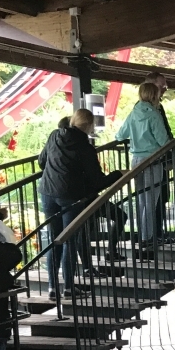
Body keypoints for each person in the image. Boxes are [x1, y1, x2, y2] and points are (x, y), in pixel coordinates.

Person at [38, 109, 122, 299]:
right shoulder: (85, 147)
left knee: (54, 240)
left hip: (48, 192)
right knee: (69, 240)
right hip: (71, 196)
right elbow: (98, 181)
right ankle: (68, 288)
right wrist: (118, 174)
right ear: (90, 126)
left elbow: (41, 161)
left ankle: (52, 288)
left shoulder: (55, 136)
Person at [115, 82, 173, 250]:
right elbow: (163, 141)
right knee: (151, 201)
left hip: (136, 161)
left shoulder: (133, 113)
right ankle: (147, 238)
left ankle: (142, 236)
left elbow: (119, 136)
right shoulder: (154, 115)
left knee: (141, 200)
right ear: (154, 95)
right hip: (152, 160)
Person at [144, 71, 173, 242]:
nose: (164, 89)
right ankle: (152, 235)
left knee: (160, 196)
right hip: (155, 158)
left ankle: (156, 233)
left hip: (157, 158)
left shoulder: (156, 108)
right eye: (161, 86)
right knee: (154, 198)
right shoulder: (152, 110)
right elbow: (163, 137)